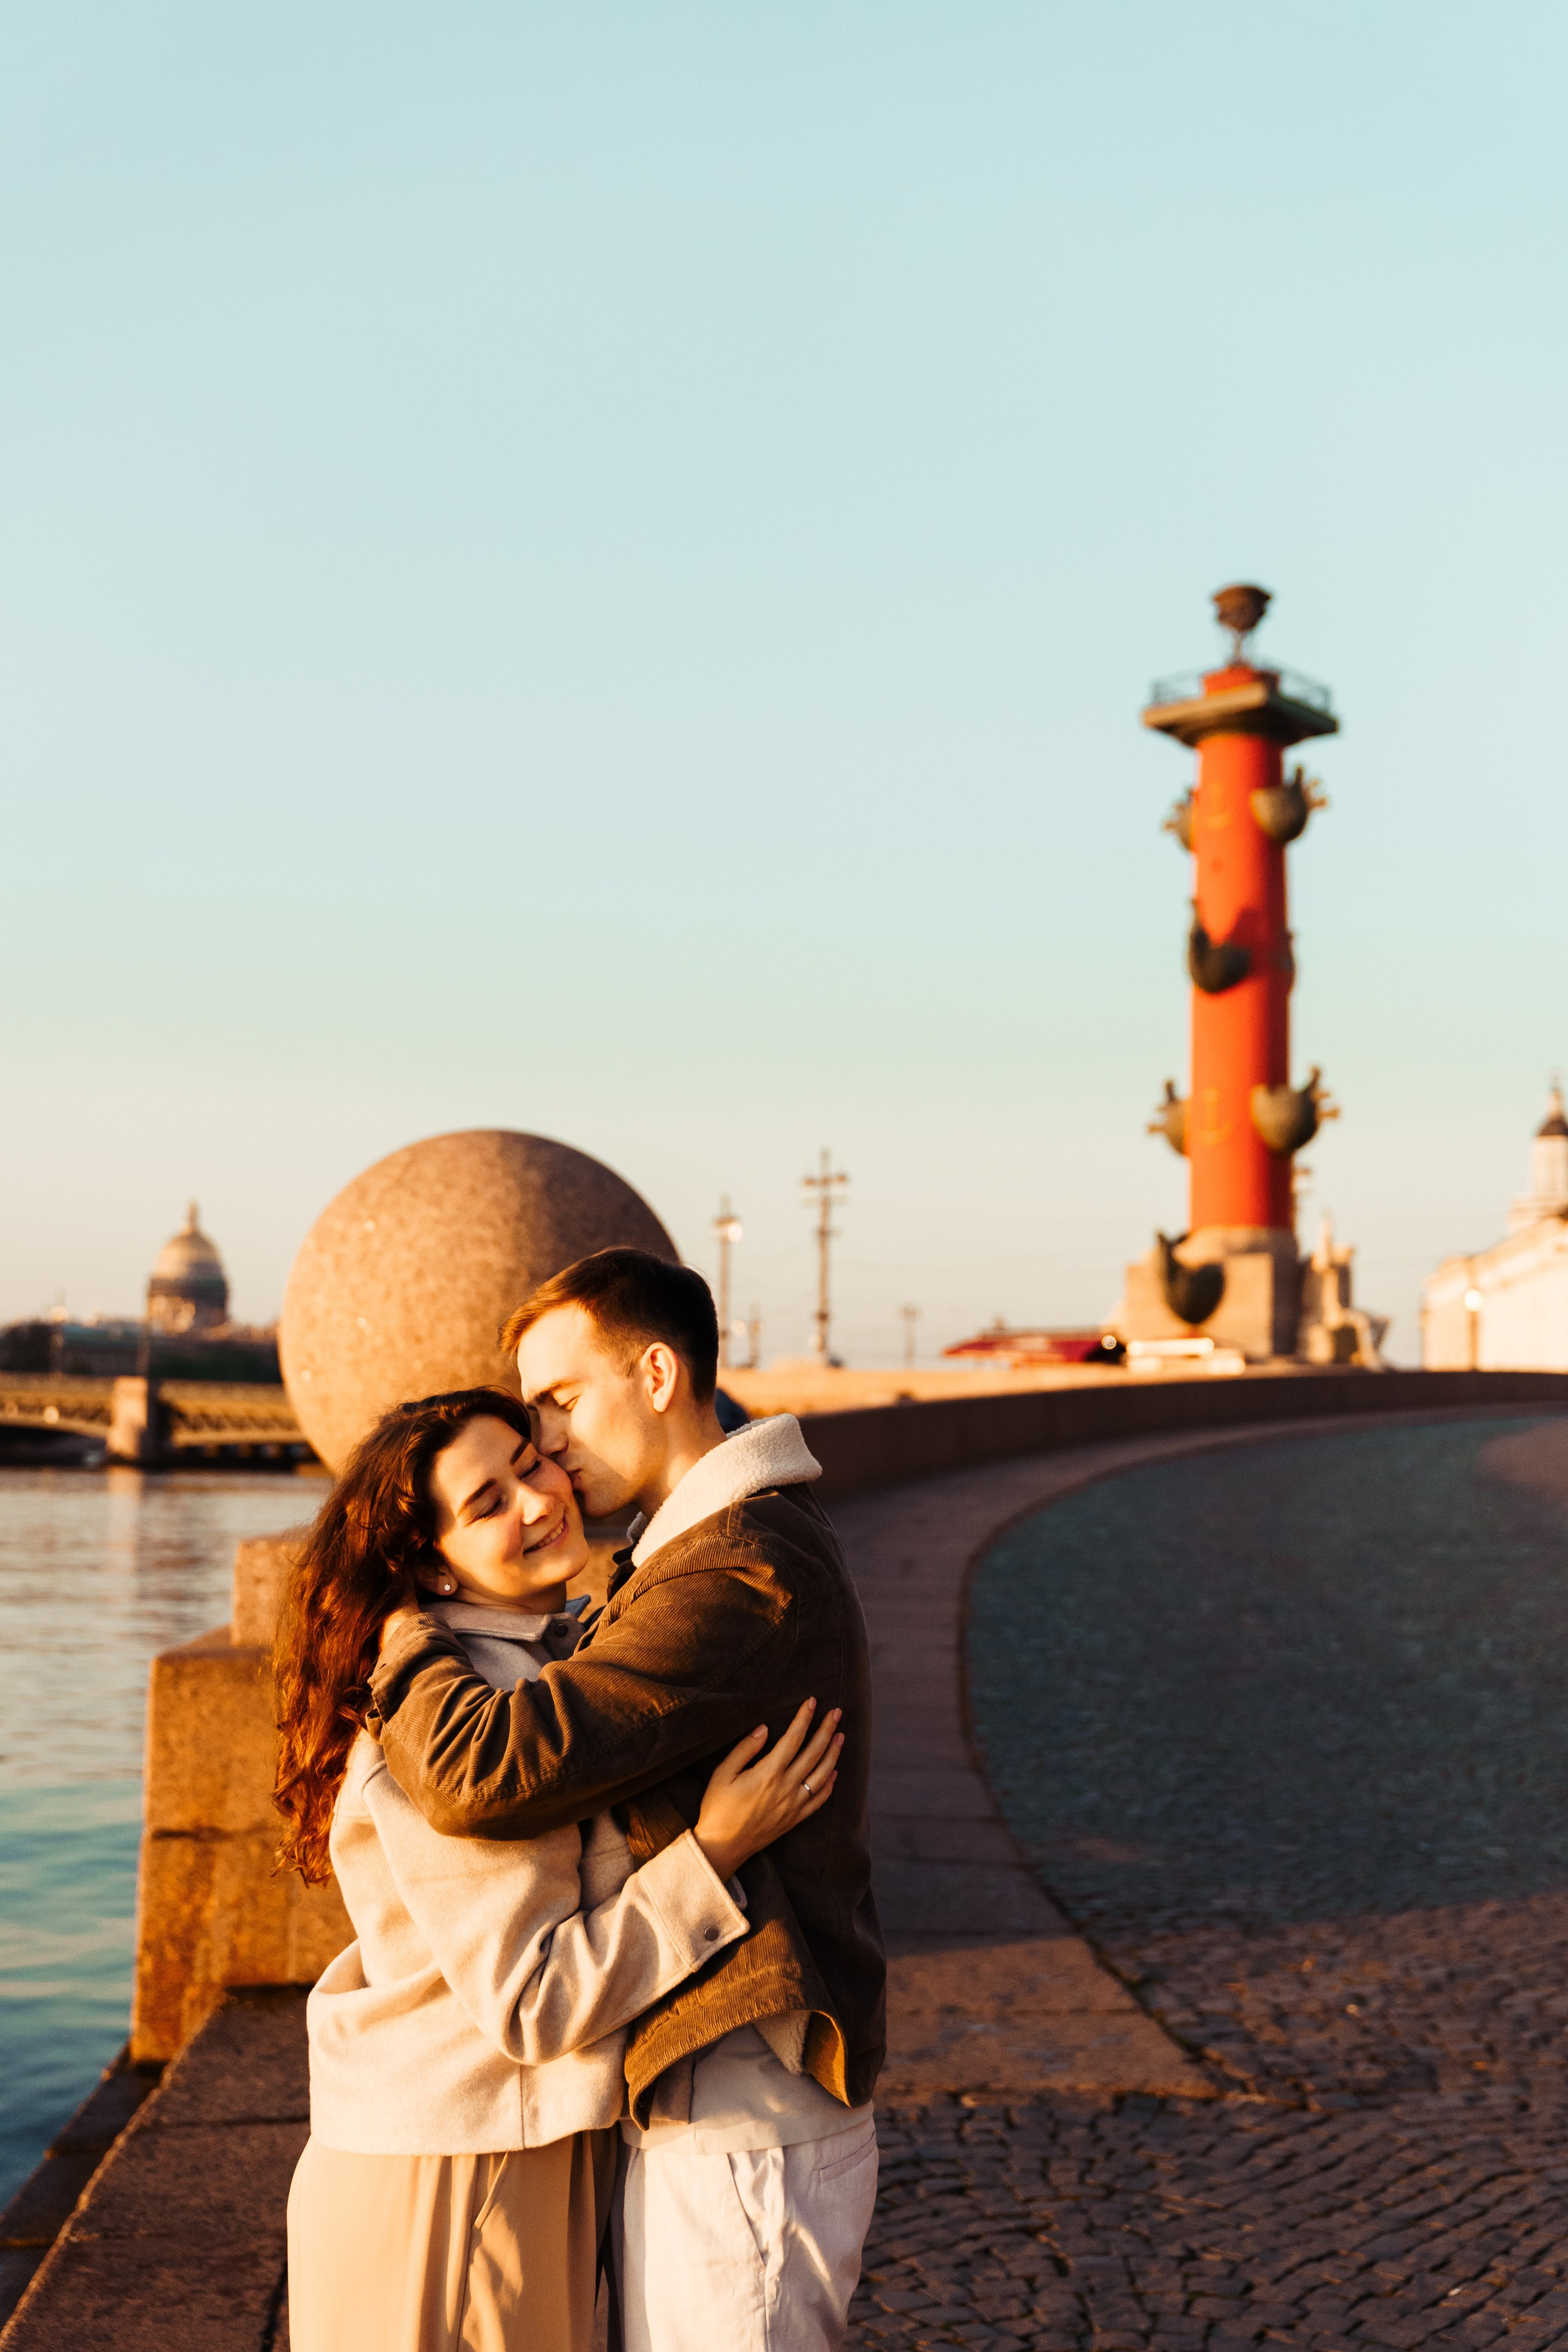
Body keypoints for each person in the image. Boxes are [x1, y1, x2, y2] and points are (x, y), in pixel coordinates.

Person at [369, 1250, 885, 2352]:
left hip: (744, 2112)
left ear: (657, 1374)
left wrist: (402, 1625)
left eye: (560, 1400)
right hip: (712, 2102)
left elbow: (484, 1771)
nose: (549, 1441)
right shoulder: (691, 1554)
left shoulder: (735, 1572)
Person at [273, 1384, 842, 2352]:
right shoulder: (476, 1715)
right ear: (433, 1567)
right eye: (487, 1503)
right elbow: (535, 2003)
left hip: (502, 2146)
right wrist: (715, 1852)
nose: (540, 1499)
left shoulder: (547, 1666)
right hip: (461, 2167)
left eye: (530, 1461)